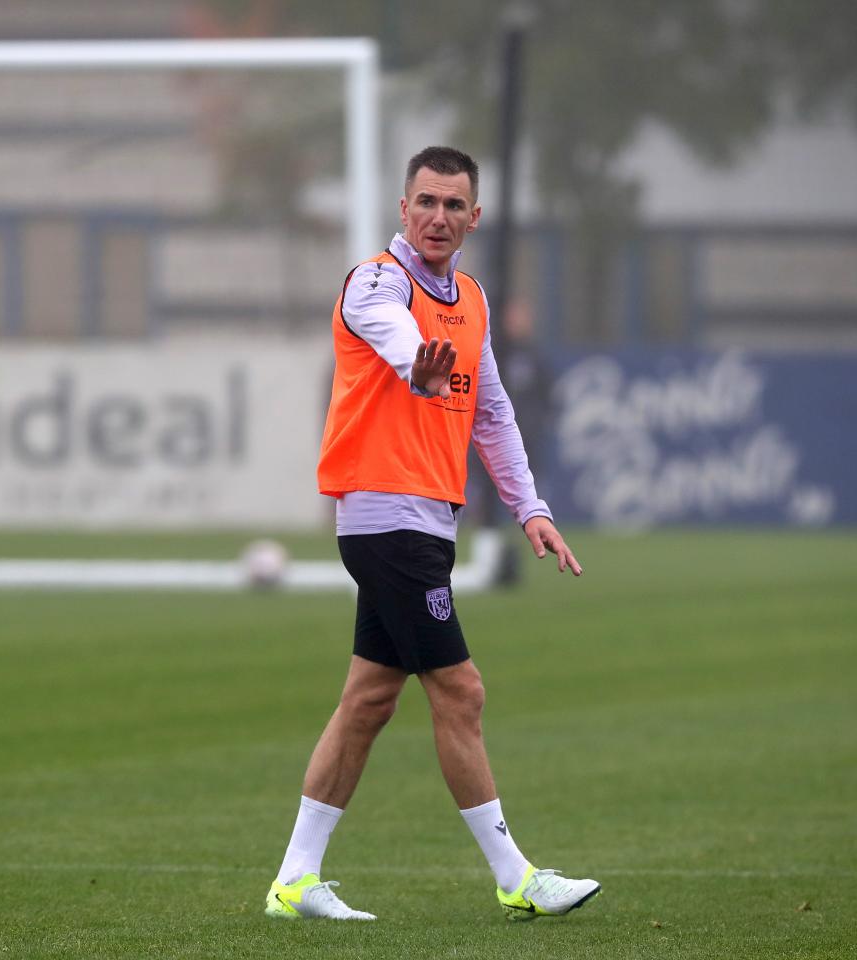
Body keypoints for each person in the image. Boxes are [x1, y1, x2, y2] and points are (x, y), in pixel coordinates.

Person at [264, 146, 598, 922]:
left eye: (454, 205)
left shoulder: (474, 299)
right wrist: (418, 359)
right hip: (386, 519)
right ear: (403, 209)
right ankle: (516, 876)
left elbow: (492, 412)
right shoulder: (377, 280)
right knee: (462, 690)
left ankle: (294, 881)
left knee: (370, 701)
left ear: (473, 218)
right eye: (426, 202)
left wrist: (531, 507)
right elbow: (390, 332)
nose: (439, 217)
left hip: (425, 520)